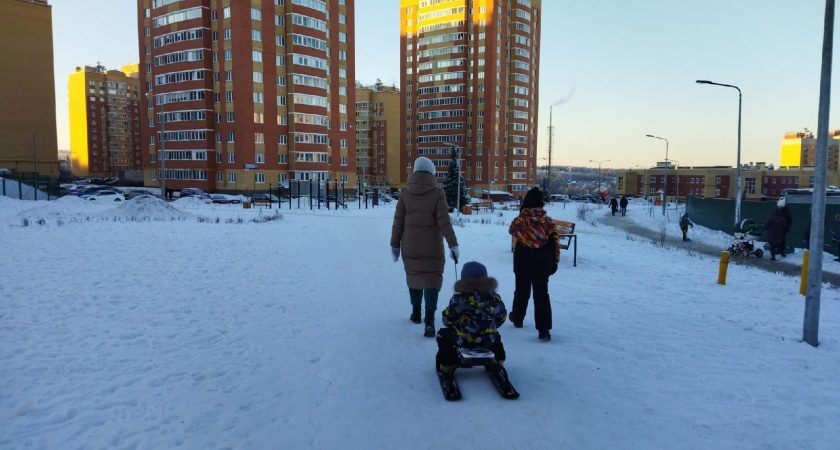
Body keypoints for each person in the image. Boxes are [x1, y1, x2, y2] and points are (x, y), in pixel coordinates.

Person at [391, 156, 460, 337]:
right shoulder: (438, 194)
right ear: (431, 173)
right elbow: (444, 222)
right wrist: (453, 244)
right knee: (432, 278)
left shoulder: (405, 193)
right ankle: (429, 319)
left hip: (410, 246)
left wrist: (394, 245)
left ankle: (416, 313)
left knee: (414, 276)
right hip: (433, 247)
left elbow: (398, 222)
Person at [436, 261, 507, 374]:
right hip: (487, 340)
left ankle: (448, 364)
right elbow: (502, 316)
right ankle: (498, 360)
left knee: (442, 335)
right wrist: (492, 324)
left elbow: (447, 320)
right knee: (495, 336)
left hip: (462, 340)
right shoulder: (494, 298)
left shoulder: (459, 299)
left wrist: (452, 324)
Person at [508, 187, 560, 341]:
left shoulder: (519, 221)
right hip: (542, 261)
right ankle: (544, 329)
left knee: (521, 290)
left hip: (522, 259)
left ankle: (517, 317)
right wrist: (555, 262)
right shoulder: (548, 222)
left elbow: (511, 231)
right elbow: (555, 243)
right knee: (542, 294)